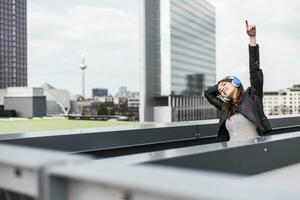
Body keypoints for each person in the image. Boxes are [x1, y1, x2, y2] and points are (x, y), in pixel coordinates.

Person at [204, 20, 272, 142]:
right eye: (220, 90)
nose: (221, 89)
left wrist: (252, 39)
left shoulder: (252, 96)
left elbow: (254, 71)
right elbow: (208, 93)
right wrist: (220, 86)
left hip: (254, 153)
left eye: (224, 84)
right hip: (231, 155)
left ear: (235, 82)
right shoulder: (226, 107)